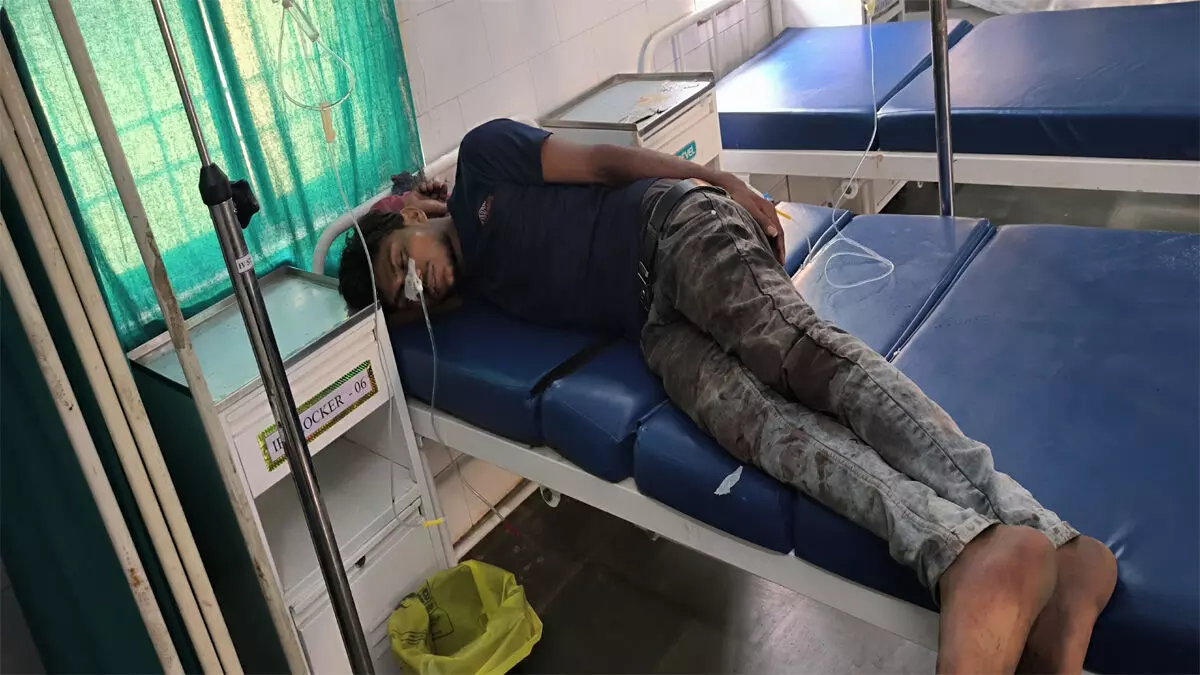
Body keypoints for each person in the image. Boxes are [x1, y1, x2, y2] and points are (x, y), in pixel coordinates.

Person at [338, 118, 1116, 674]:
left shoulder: (482, 161)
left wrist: (715, 181)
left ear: (409, 215)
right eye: (404, 297)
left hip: (676, 231)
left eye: (401, 262)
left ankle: (1033, 530)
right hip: (652, 326)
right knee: (768, 432)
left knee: (803, 357)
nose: (416, 284)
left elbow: (604, 161)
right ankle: (965, 543)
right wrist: (406, 310)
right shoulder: (478, 292)